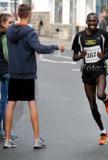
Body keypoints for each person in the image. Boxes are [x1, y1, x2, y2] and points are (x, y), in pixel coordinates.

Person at [3, 4, 64, 149]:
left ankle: (7, 139)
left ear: (18, 14)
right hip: (28, 73)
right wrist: (56, 47)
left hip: (14, 72)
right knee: (31, 102)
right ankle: (37, 140)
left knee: (11, 102)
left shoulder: (10, 30)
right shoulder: (30, 32)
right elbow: (39, 48)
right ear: (29, 14)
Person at [72, 12, 108, 145]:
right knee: (92, 105)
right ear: (86, 21)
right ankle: (103, 132)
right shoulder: (79, 37)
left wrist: (104, 56)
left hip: (100, 70)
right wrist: (80, 56)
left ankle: (106, 100)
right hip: (87, 73)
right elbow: (74, 56)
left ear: (98, 22)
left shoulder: (103, 34)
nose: (92, 24)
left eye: (95, 21)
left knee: (100, 94)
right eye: (90, 21)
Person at [0, 13, 14, 139]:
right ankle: (5, 130)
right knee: (6, 101)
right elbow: (7, 54)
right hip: (6, 71)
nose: (12, 25)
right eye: (10, 22)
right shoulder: (4, 36)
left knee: (4, 100)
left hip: (2, 70)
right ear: (3, 23)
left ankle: (4, 129)